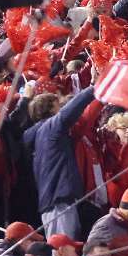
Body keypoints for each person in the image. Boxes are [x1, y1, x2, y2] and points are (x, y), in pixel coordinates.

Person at [25, 87, 96, 238]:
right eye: (58, 105)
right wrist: (94, 88)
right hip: (58, 200)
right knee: (63, 249)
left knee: (64, 248)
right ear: (50, 109)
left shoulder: (40, 134)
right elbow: (70, 111)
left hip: (56, 200)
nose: (61, 108)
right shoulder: (50, 128)